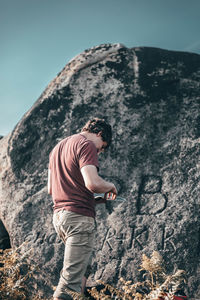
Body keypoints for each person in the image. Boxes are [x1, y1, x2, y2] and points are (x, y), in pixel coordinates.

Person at [48, 118, 117, 300]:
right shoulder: (86, 145)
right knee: (68, 288)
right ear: (99, 134)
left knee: (82, 267)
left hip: (60, 217)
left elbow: (51, 188)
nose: (99, 152)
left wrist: (95, 198)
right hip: (79, 218)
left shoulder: (57, 148)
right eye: (102, 147)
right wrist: (110, 187)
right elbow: (93, 183)